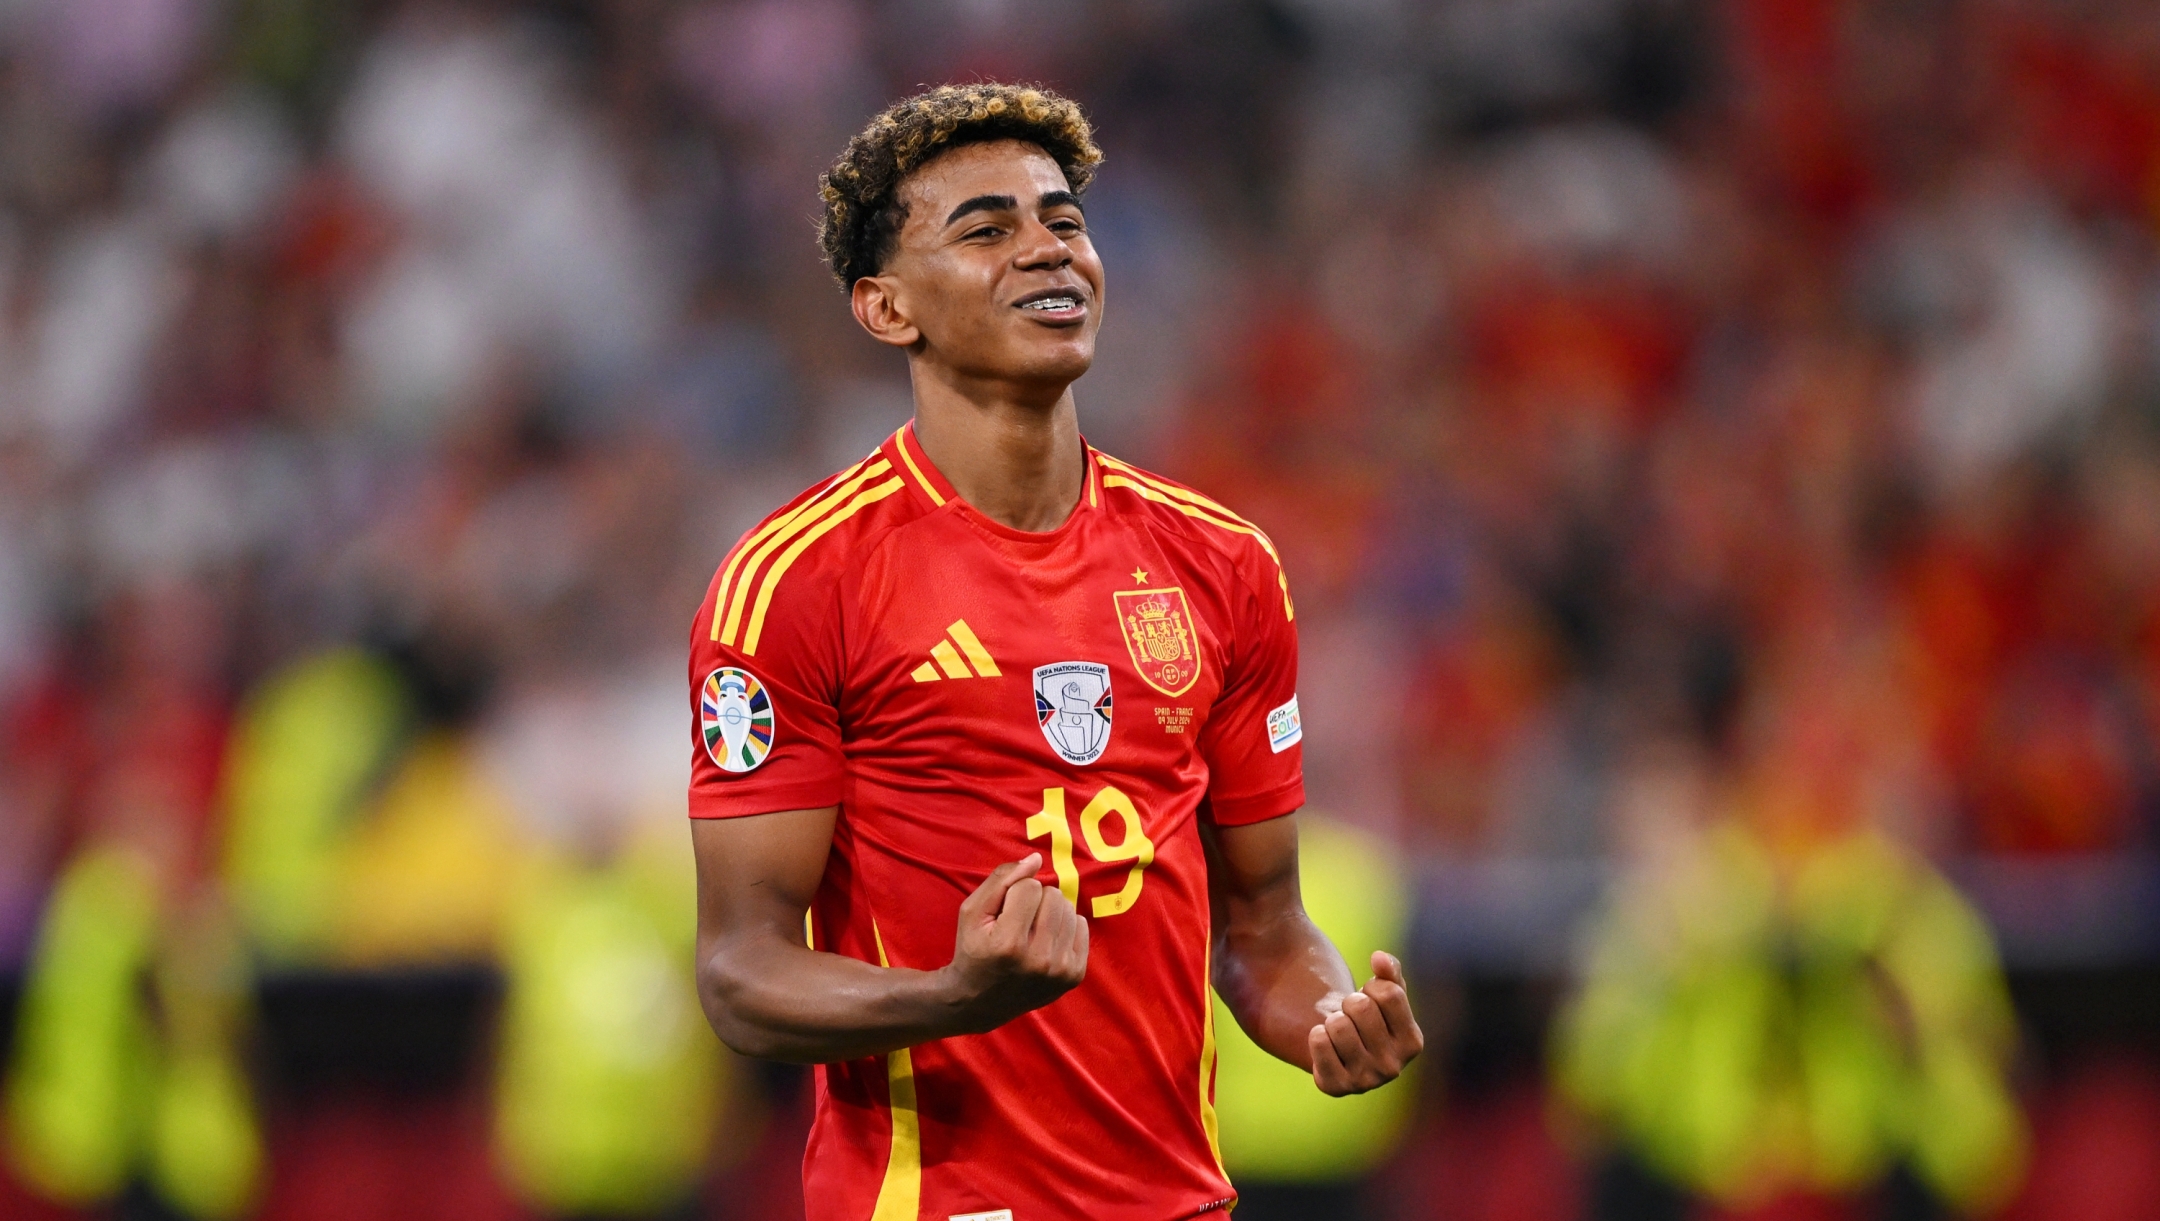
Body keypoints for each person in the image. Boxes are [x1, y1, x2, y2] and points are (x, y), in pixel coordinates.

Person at [686, 83, 1422, 1221]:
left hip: (1180, 1206)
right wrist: (952, 997)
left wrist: (1325, 1015)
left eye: (1064, 220)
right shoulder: (796, 582)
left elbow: (1267, 929)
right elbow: (742, 973)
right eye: (986, 229)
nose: (1049, 251)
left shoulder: (1221, 565)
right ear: (887, 310)